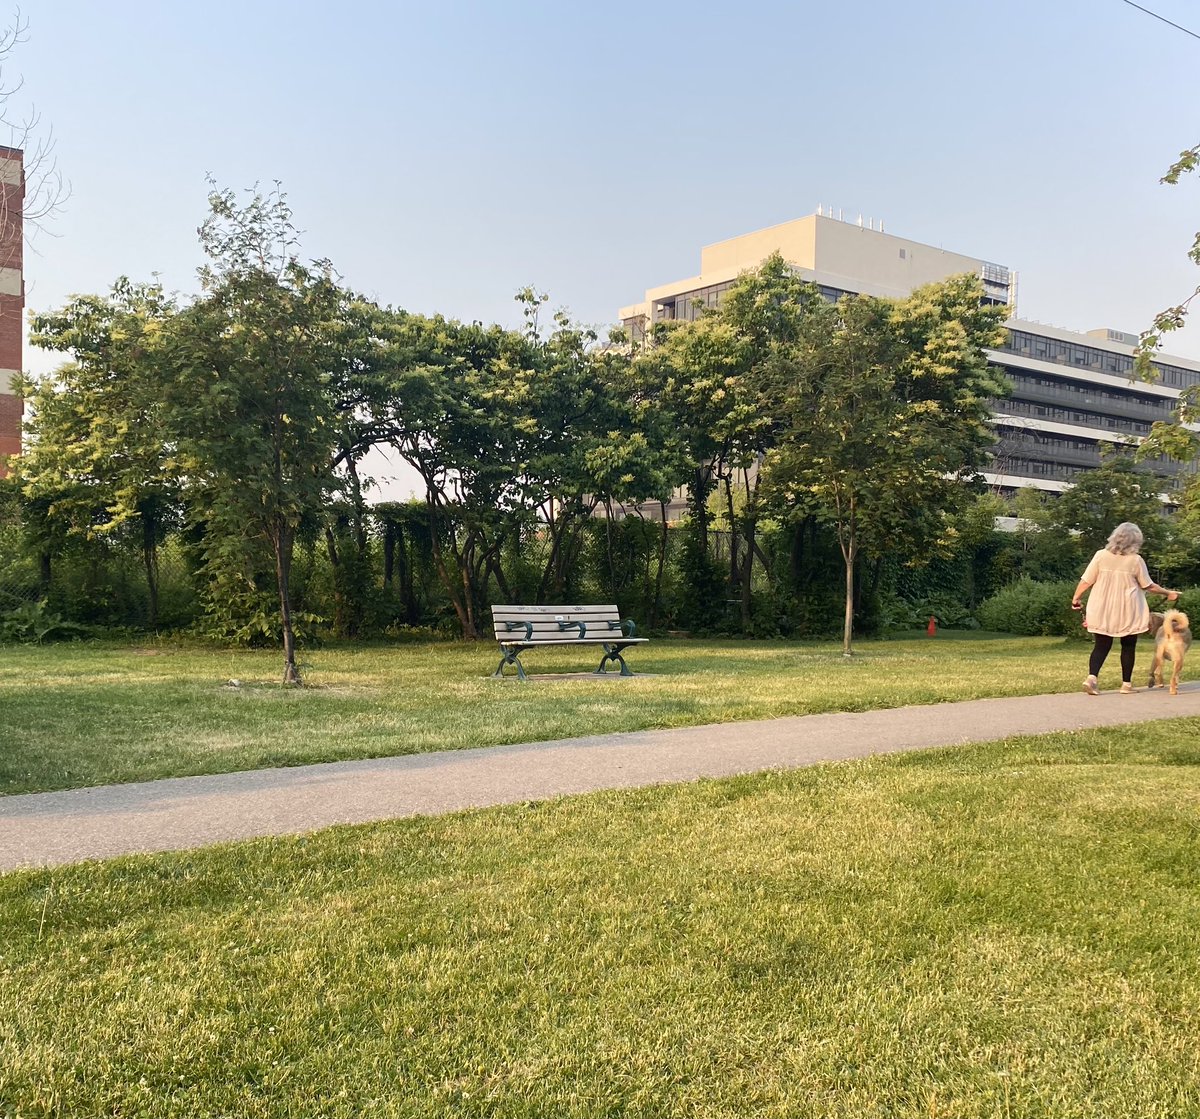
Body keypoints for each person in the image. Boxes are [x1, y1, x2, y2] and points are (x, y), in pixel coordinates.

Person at [1071, 521, 1178, 695]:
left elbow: (1086, 581)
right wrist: (1168, 593)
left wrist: (1076, 598)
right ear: (1135, 541)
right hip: (1128, 609)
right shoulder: (1135, 560)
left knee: (1101, 645)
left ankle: (1092, 678)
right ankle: (1126, 685)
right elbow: (1148, 585)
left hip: (1102, 607)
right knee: (1128, 645)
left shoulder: (1100, 555)